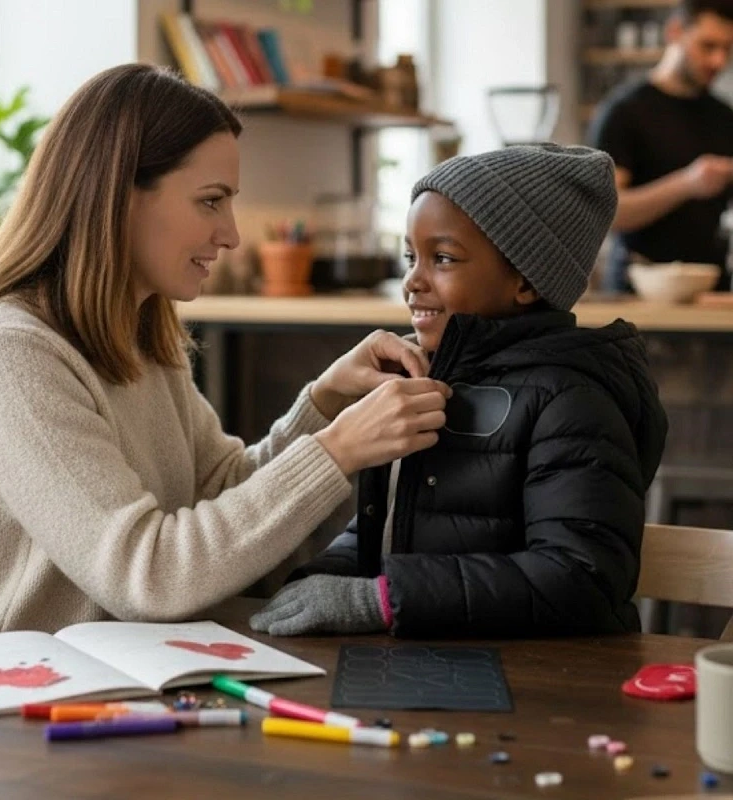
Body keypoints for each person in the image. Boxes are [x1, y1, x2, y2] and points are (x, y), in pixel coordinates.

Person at [0, 64, 452, 644]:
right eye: (211, 201)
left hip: (122, 676)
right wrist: (337, 449)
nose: (230, 235)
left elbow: (221, 501)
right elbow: (148, 575)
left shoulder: (138, 331)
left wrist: (327, 404)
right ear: (118, 196)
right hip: (13, 704)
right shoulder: (9, 356)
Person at [250, 144, 669, 639]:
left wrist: (378, 600)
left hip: (548, 688)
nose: (411, 281)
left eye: (442, 258)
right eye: (411, 256)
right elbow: (383, 528)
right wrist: (324, 579)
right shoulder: (429, 379)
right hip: (438, 663)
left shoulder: (572, 400)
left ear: (525, 282)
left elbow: (580, 577)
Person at [588, 0, 733, 292]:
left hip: (711, 290)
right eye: (708, 46)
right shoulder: (624, 111)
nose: (719, 61)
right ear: (675, 31)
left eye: (727, 49)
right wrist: (688, 183)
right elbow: (607, 212)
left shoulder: (724, 117)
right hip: (638, 291)